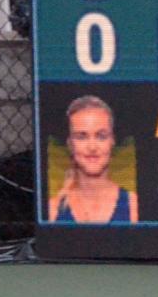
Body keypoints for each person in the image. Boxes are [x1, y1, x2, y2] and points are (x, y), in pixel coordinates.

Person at [49, 95, 139, 224]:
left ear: (112, 141)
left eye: (101, 136)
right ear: (70, 143)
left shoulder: (133, 206)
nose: (92, 147)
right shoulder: (53, 210)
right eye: (82, 137)